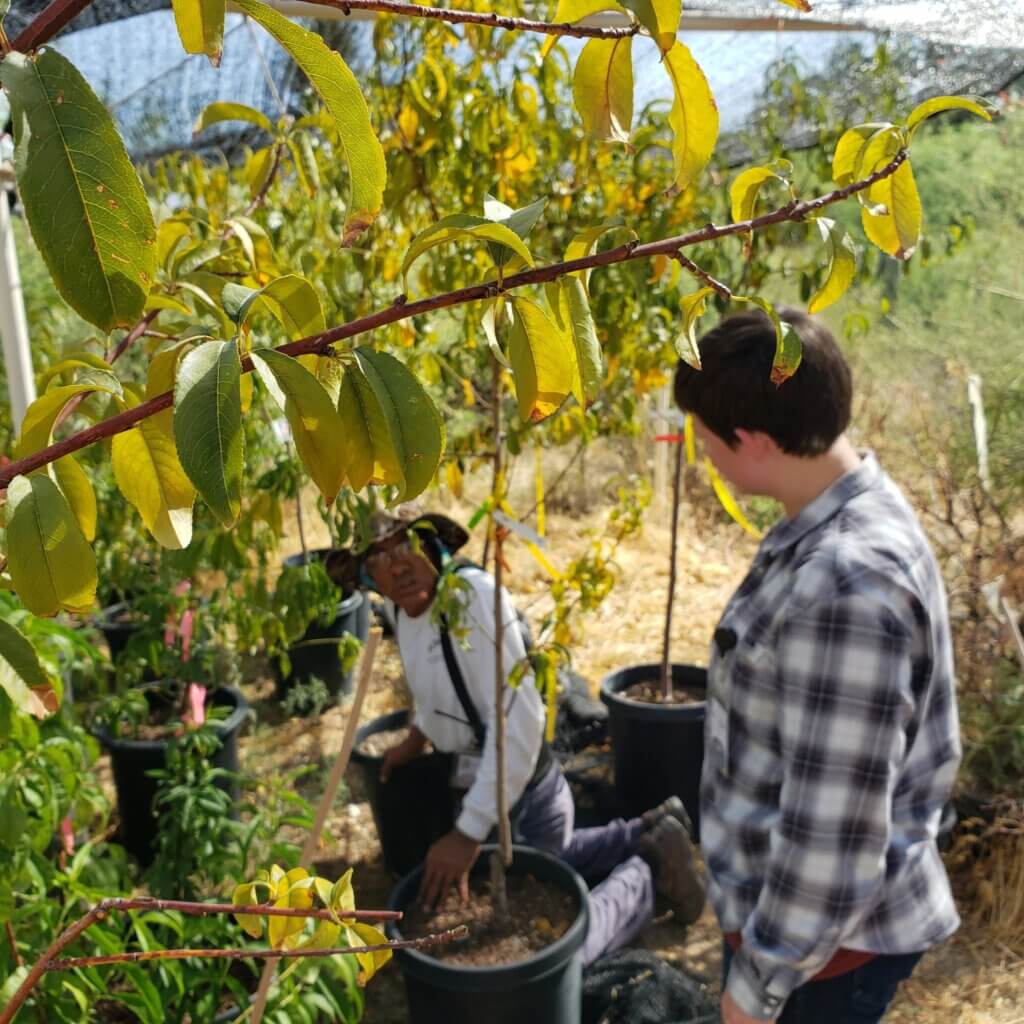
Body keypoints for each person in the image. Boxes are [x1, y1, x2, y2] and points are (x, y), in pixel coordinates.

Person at [673, 308, 960, 1024]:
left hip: (823, 958)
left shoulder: (845, 587)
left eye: (708, 441)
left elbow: (831, 844)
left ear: (755, 441)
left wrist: (757, 987)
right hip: (806, 939)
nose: (702, 453)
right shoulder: (834, 512)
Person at [327, 506, 706, 966]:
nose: (399, 565)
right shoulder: (404, 613)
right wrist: (417, 736)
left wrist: (466, 833)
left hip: (525, 790)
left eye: (408, 545)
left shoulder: (473, 601)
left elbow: (520, 722)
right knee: (539, 862)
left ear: (433, 547)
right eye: (379, 558)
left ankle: (644, 876)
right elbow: (438, 686)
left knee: (558, 950)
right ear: (367, 577)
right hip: (485, 785)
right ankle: (645, 834)